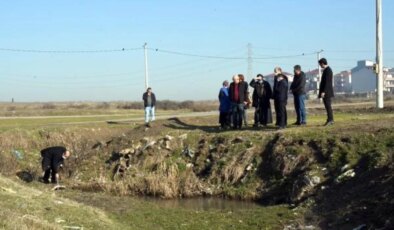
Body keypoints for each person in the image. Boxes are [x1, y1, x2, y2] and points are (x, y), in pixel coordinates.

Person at [318, 58, 334, 126]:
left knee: (328, 106)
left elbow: (327, 82)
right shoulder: (326, 70)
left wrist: (323, 91)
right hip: (326, 91)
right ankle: (329, 119)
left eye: (320, 64)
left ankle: (330, 120)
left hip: (327, 92)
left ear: (322, 63)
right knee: (327, 106)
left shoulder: (328, 70)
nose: (320, 65)